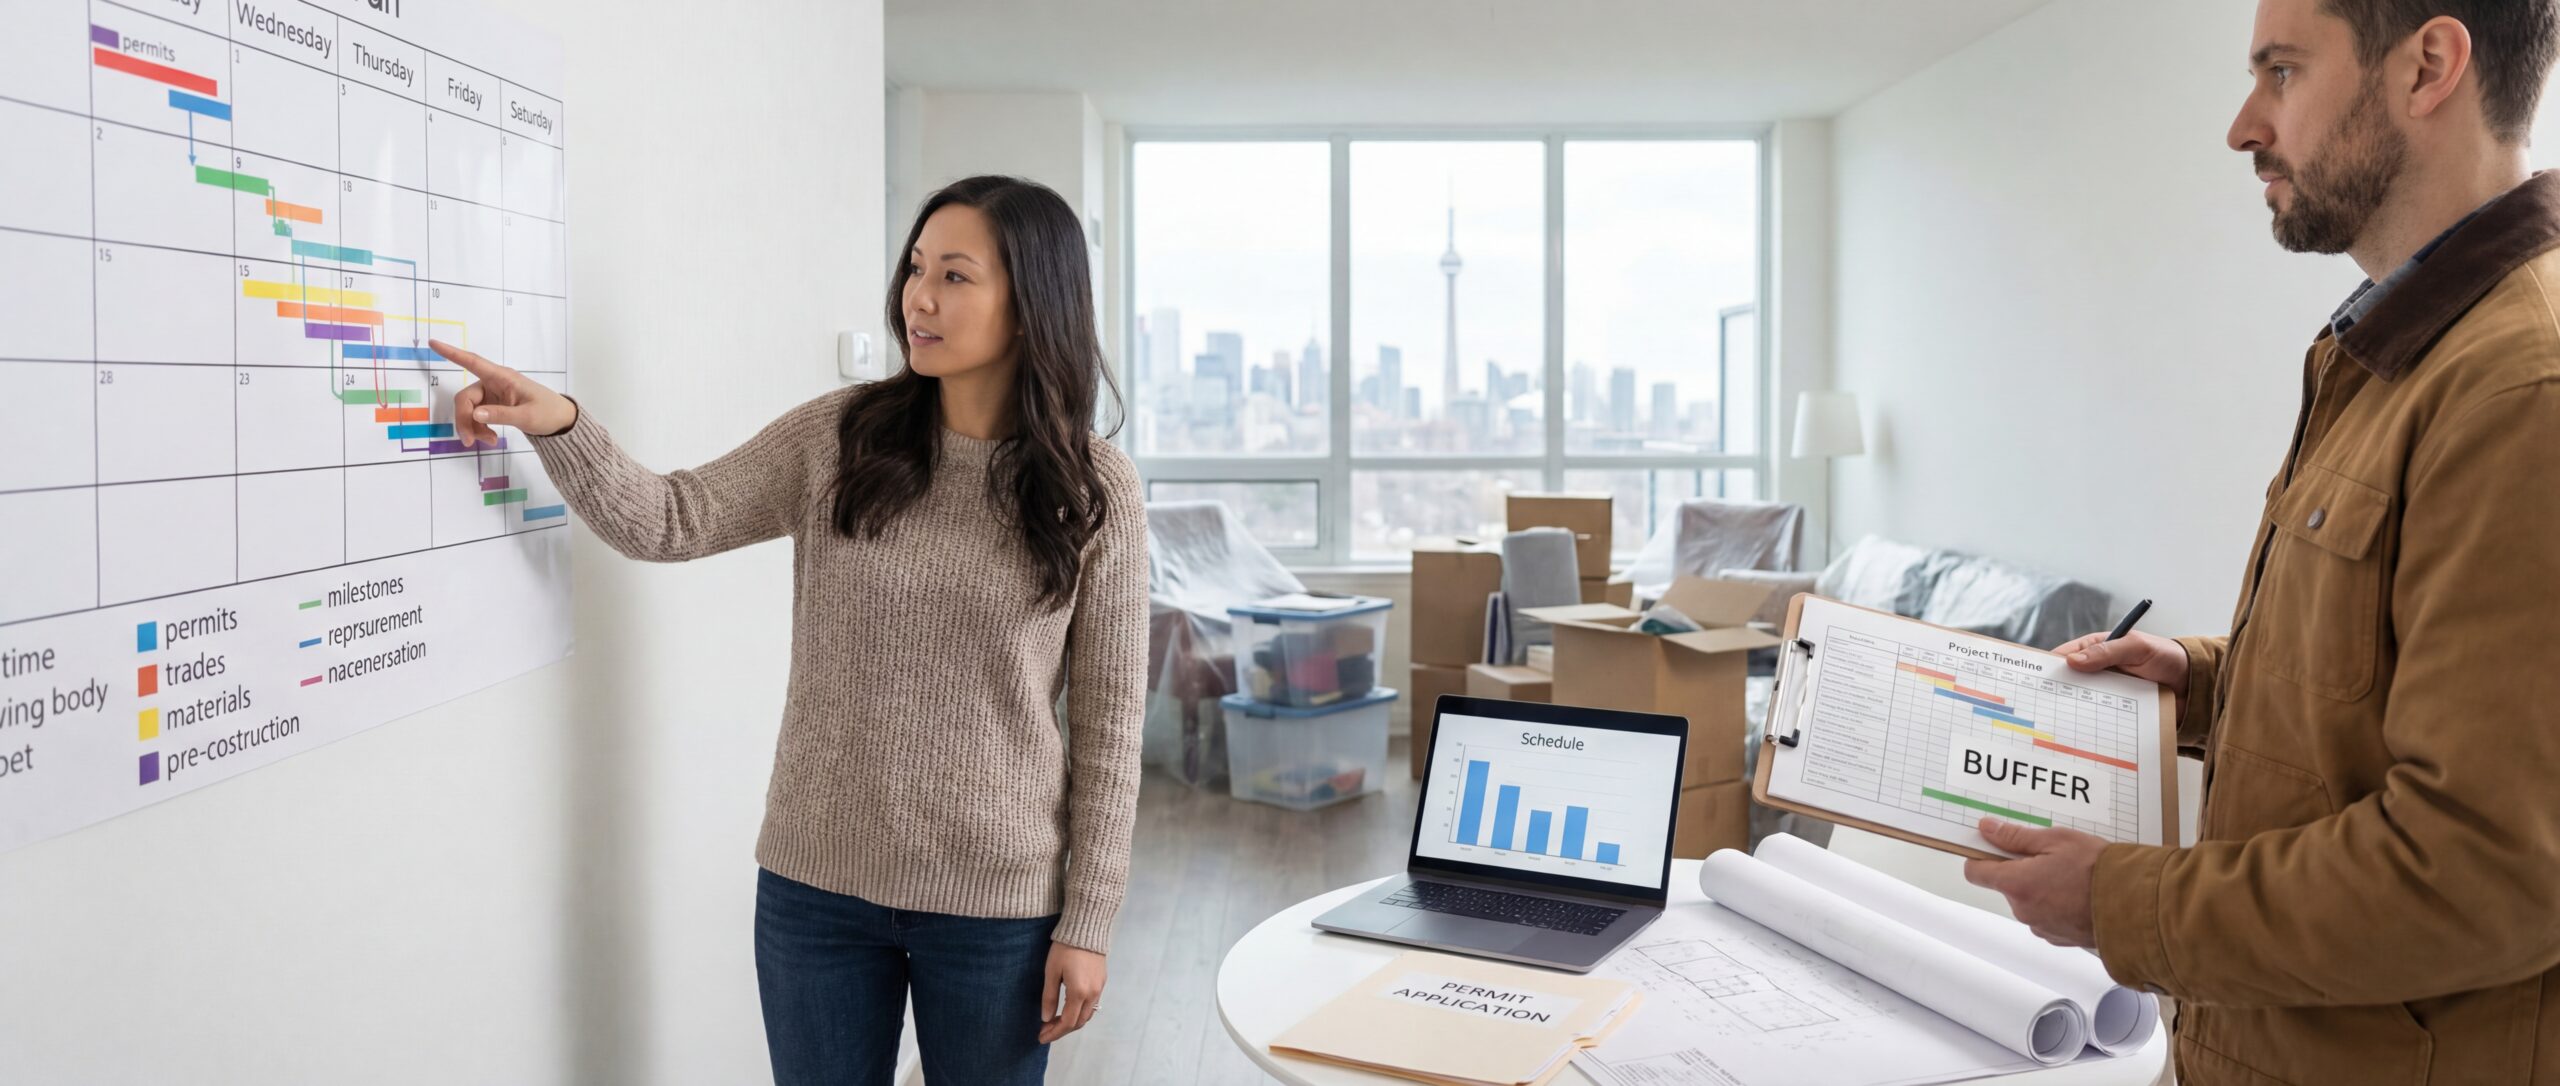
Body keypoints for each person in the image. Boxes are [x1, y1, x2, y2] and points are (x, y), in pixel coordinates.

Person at [428, 175, 1148, 1085]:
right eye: (916, 268)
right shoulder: (842, 436)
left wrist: (1089, 920)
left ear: (1034, 302)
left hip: (995, 909)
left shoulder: (1095, 489)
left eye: (956, 276)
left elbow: (1113, 724)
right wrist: (560, 423)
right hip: (817, 893)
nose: (917, 298)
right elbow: (671, 518)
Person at [1960, 1, 2560, 1082]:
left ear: (2427, 65)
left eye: (2280, 72)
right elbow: (2392, 694)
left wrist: (2117, 901)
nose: (2243, 125)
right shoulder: (2394, 346)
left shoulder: (2523, 388)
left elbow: (2482, 873)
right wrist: (2196, 686)